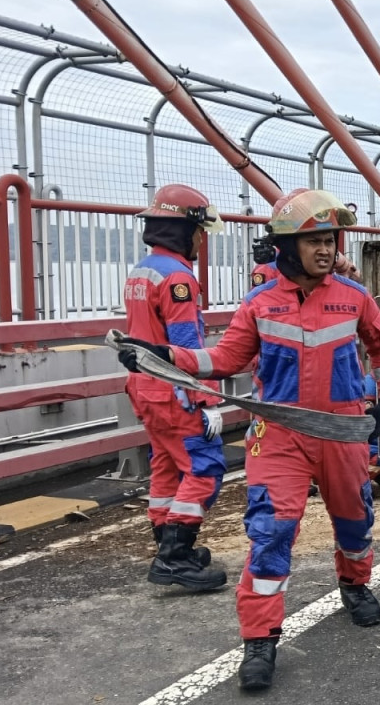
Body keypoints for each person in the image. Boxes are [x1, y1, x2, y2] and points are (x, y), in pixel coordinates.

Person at [115, 190, 380, 691]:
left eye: (330, 241)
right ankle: (260, 640)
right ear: (287, 246)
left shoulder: (353, 297)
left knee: (355, 519)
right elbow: (221, 361)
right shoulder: (259, 304)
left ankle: (355, 587)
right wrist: (157, 354)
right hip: (279, 437)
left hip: (342, 432)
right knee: (271, 532)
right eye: (314, 241)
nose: (326, 250)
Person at [121, 183, 228, 592]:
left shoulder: (142, 270)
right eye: (199, 231)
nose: (202, 239)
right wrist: (205, 400)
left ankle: (166, 546)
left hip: (143, 387)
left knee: (167, 467)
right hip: (172, 391)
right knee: (204, 469)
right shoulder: (179, 278)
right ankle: (175, 556)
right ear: (184, 230)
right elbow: (185, 345)